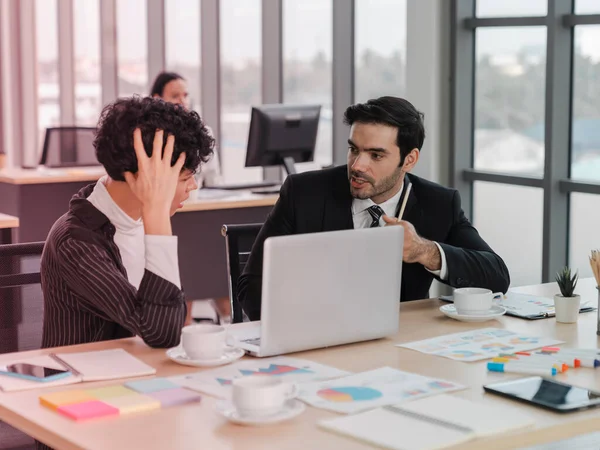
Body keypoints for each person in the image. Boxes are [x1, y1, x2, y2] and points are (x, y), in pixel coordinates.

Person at [237, 96, 511, 321]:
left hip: (401, 346)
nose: (357, 165)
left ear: (409, 160)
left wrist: (424, 251)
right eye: (353, 149)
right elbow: (251, 289)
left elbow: (497, 277)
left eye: (376, 155)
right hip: (317, 339)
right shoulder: (303, 193)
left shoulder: (438, 202)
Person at [40, 96, 214, 349]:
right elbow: (163, 333)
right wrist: (156, 212)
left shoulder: (138, 220)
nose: (193, 186)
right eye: (184, 177)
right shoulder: (75, 242)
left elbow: (172, 321)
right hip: (88, 383)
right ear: (143, 175)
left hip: (139, 371)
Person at [150, 71, 222, 187]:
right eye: (175, 96)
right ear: (157, 99)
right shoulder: (148, 135)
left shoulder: (203, 133)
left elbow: (212, 180)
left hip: (195, 201)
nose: (182, 101)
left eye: (185, 95)